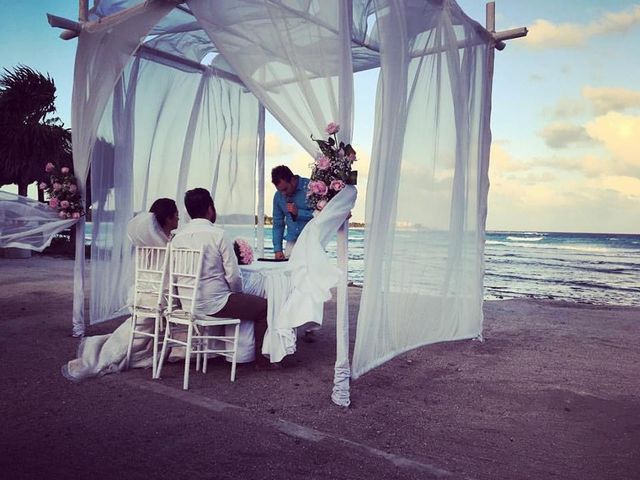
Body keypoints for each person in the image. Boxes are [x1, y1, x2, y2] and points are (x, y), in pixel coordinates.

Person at [62, 198, 178, 382]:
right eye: (176, 215)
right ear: (169, 218)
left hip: (141, 295)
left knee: (137, 330)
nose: (178, 218)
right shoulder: (169, 246)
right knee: (139, 333)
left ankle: (158, 347)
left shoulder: (145, 245)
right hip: (159, 299)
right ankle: (106, 357)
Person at [172, 188, 272, 367]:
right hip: (214, 304)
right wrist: (238, 295)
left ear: (188, 212)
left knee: (241, 300)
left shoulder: (177, 238)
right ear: (210, 208)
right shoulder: (218, 235)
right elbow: (233, 276)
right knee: (265, 308)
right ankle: (262, 360)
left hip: (188, 303)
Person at [271, 165, 313, 259]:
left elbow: (321, 215)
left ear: (293, 180)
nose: (283, 194)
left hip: (312, 240)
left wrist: (299, 213)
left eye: (285, 189)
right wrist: (278, 249)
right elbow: (278, 224)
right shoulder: (278, 196)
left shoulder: (312, 187)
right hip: (291, 241)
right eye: (280, 190)